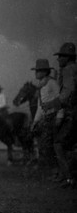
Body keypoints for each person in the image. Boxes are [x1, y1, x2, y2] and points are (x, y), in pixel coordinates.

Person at [42, 43, 77, 187]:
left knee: (58, 144)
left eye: (61, 56)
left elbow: (66, 95)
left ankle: (69, 178)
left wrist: (50, 105)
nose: (58, 59)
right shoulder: (72, 68)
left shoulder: (69, 70)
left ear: (67, 58)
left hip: (72, 113)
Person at [31, 59, 60, 176]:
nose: (36, 73)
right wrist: (35, 121)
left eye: (38, 71)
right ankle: (55, 171)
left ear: (44, 71)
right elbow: (40, 107)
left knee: (51, 145)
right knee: (44, 145)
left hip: (54, 117)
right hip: (45, 117)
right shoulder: (41, 85)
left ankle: (59, 172)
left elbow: (60, 100)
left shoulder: (52, 83)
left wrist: (59, 116)